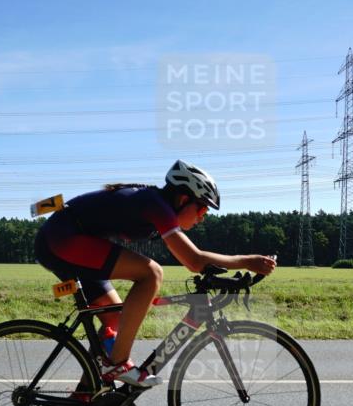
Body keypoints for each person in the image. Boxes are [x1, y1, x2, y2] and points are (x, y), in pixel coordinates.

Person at [34, 160, 276, 388]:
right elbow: (194, 260)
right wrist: (247, 261)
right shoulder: (156, 205)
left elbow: (192, 258)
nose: (203, 217)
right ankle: (117, 364)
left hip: (65, 240)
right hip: (63, 238)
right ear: (183, 198)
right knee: (151, 273)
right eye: (202, 208)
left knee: (116, 319)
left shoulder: (155, 203)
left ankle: (86, 395)